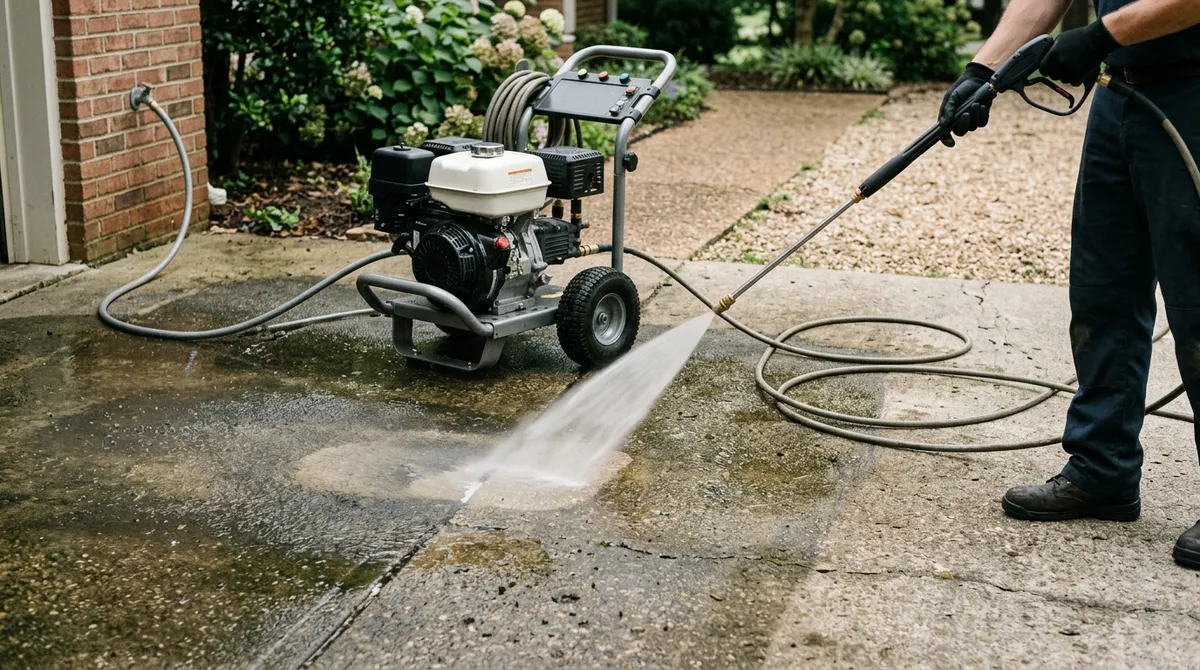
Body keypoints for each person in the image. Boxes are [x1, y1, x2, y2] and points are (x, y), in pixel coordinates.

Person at [938, 0, 1200, 570]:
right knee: (1103, 291)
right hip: (1118, 99)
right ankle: (1101, 469)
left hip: (1193, 94)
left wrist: (1101, 33)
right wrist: (984, 69)